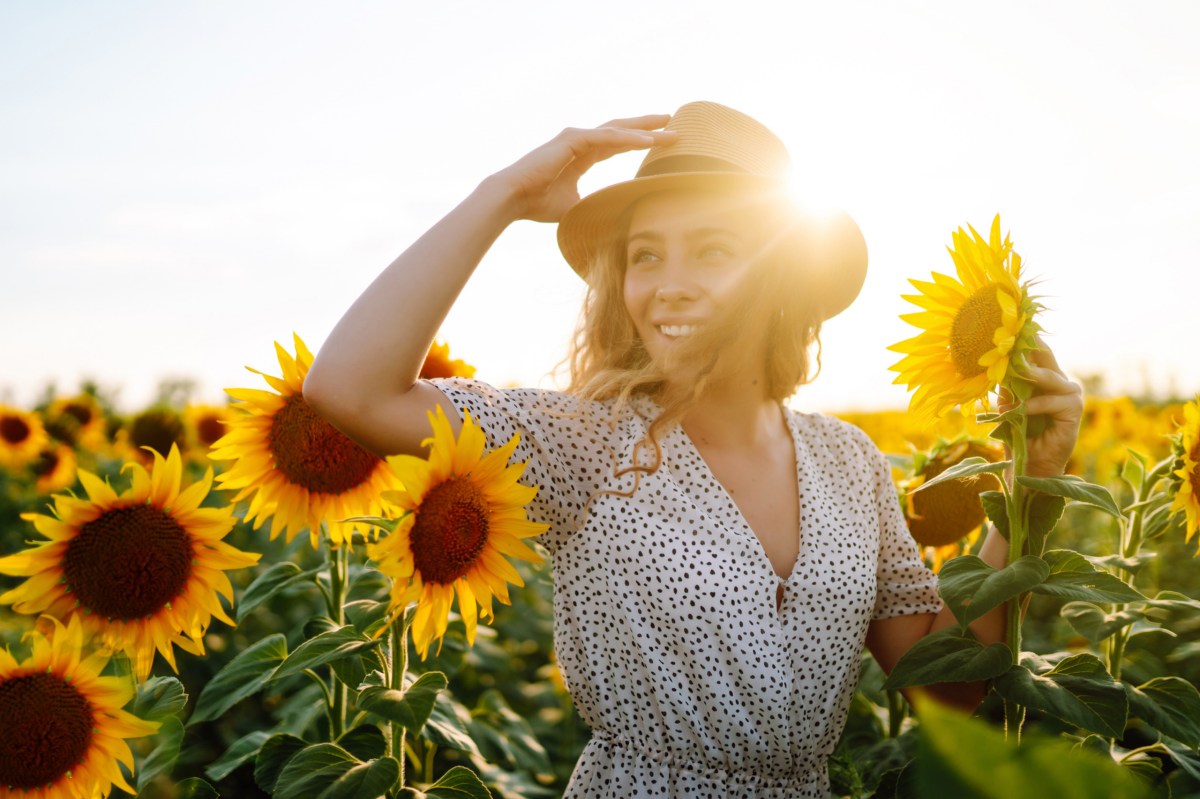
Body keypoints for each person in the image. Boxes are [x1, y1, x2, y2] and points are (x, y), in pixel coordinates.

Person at [303, 101, 1083, 798]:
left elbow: (945, 688)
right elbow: (351, 389)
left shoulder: (851, 463)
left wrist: (1030, 482)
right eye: (646, 254)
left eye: (713, 250)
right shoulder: (583, 439)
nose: (668, 284)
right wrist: (502, 196)